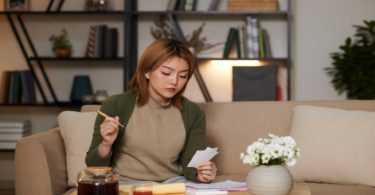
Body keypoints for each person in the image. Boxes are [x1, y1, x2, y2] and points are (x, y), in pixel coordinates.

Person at [85, 39, 217, 183]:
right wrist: (106, 144)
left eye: (183, 76)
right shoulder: (116, 105)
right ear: (147, 71)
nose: (174, 81)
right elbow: (93, 166)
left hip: (173, 184)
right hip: (126, 184)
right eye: (166, 73)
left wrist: (202, 174)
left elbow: (191, 165)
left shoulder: (194, 112)